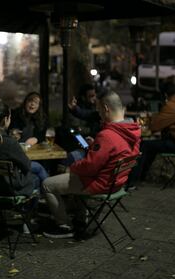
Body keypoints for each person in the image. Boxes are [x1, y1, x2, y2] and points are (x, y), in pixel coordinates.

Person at [42, 91, 141, 238]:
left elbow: (89, 167)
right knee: (75, 172)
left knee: (47, 184)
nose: (99, 113)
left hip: (100, 183)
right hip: (117, 182)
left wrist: (71, 168)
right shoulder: (133, 130)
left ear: (106, 108)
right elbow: (115, 152)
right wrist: (95, 146)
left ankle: (64, 226)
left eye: (99, 109)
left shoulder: (107, 135)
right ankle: (80, 218)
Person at [128, 76, 175, 185]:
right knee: (152, 147)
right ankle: (141, 177)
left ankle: (133, 180)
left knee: (145, 145)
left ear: (165, 95)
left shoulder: (171, 106)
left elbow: (154, 127)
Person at [0, 103, 37, 196]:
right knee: (37, 175)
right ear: (5, 119)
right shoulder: (8, 142)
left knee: (37, 168)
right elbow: (27, 166)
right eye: (10, 117)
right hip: (10, 189)